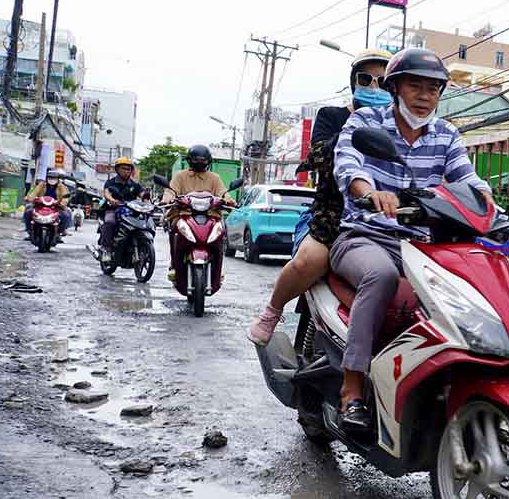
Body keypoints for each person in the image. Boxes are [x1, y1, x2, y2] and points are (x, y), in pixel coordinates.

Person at [330, 47, 491, 434]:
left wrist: (492, 211)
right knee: (381, 277)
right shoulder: (367, 121)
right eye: (414, 85)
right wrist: (369, 192)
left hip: (423, 245)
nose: (424, 95)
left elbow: (466, 179)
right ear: (395, 88)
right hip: (365, 235)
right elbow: (348, 163)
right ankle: (352, 388)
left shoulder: (446, 134)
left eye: (433, 88)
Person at [247, 49, 395, 345]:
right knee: (310, 260)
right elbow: (318, 156)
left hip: (385, 222)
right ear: (354, 82)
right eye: (366, 79)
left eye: (383, 80)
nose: (374, 86)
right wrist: (355, 129)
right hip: (332, 217)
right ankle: (272, 313)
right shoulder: (333, 117)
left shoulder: (401, 127)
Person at [161, 145, 233, 280]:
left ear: (208, 161)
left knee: (220, 232)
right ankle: (174, 264)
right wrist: (167, 199)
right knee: (174, 229)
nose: (200, 163)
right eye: (196, 160)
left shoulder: (214, 178)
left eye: (203, 160)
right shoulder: (180, 176)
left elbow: (223, 193)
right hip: (184, 214)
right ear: (190, 160)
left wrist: (229, 201)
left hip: (210, 215)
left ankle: (218, 268)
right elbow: (170, 191)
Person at [98, 158, 145, 262]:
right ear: (117, 169)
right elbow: (107, 193)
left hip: (131, 211)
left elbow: (143, 195)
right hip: (113, 209)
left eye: (129, 169)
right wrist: (112, 200)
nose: (126, 171)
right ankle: (106, 249)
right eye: (124, 168)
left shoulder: (134, 185)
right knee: (110, 222)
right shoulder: (111, 182)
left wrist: (148, 201)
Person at [23, 168, 72, 239]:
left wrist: (62, 203)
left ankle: (60, 231)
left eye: (54, 178)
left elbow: (65, 197)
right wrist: (29, 198)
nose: (52, 179)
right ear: (47, 178)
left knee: (66, 215)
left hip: (56, 206)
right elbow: (34, 193)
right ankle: (29, 231)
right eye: (50, 177)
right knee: (28, 211)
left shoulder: (62, 186)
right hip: (41, 205)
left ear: (58, 179)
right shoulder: (42, 185)